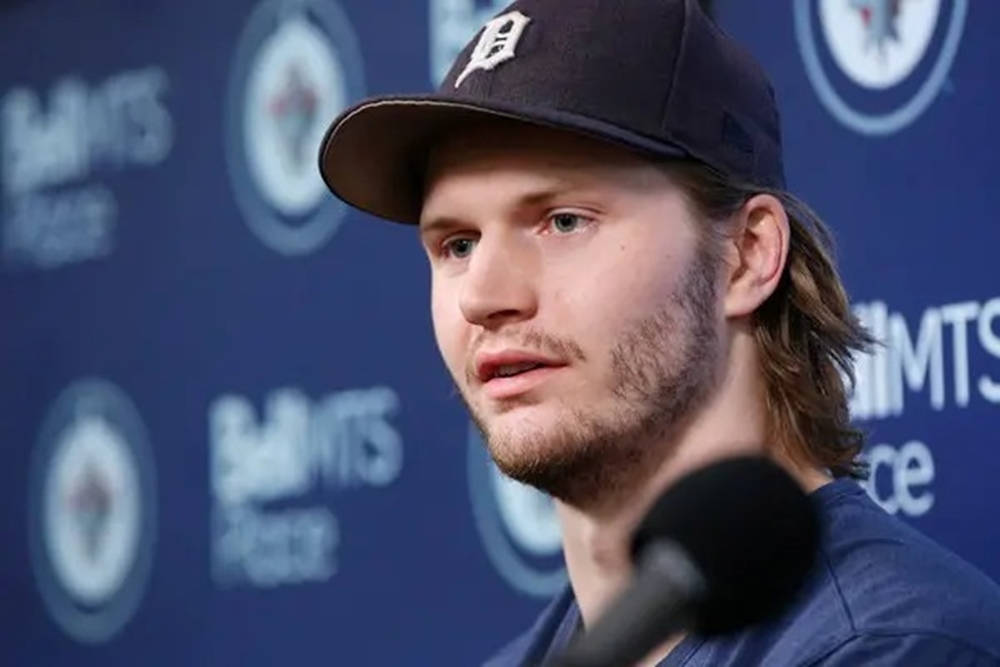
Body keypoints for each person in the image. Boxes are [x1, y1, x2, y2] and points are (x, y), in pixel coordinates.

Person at [317, 0, 1000, 664]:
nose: (485, 297)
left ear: (747, 255)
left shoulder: (892, 644)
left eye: (563, 221)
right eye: (458, 244)